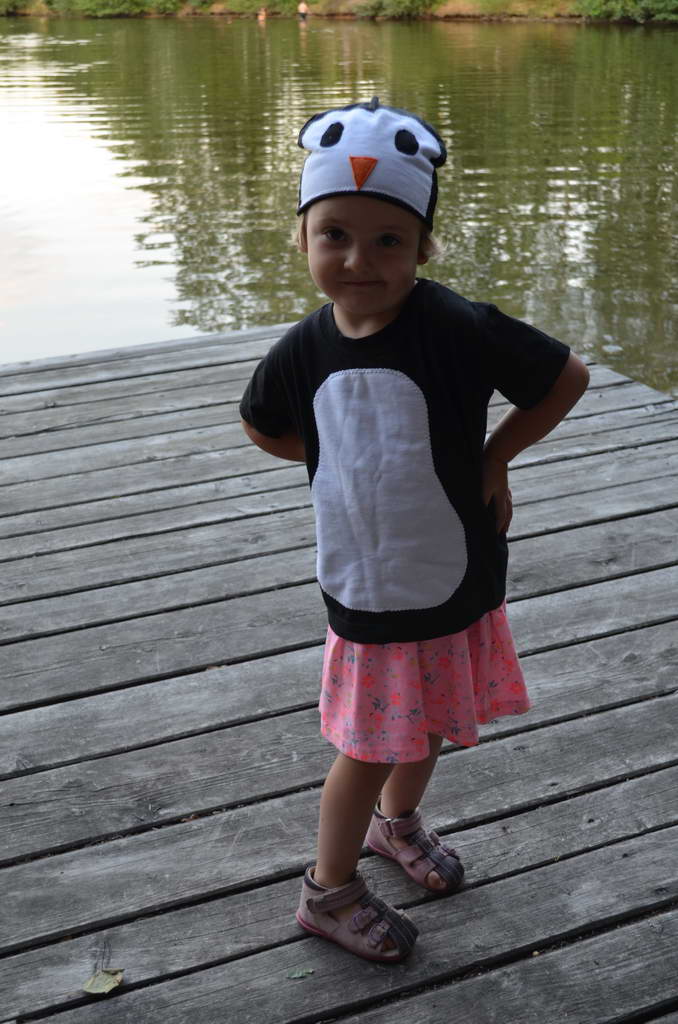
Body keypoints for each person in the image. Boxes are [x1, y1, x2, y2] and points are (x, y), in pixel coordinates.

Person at [239, 97, 589, 963]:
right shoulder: (303, 348)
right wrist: (338, 458)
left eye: (388, 239)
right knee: (366, 746)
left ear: (424, 247)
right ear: (302, 238)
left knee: (428, 720)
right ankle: (328, 890)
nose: (359, 260)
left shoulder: (454, 326)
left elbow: (564, 377)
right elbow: (262, 423)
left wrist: (496, 457)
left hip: (452, 566)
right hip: (368, 585)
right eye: (334, 235)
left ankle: (395, 824)